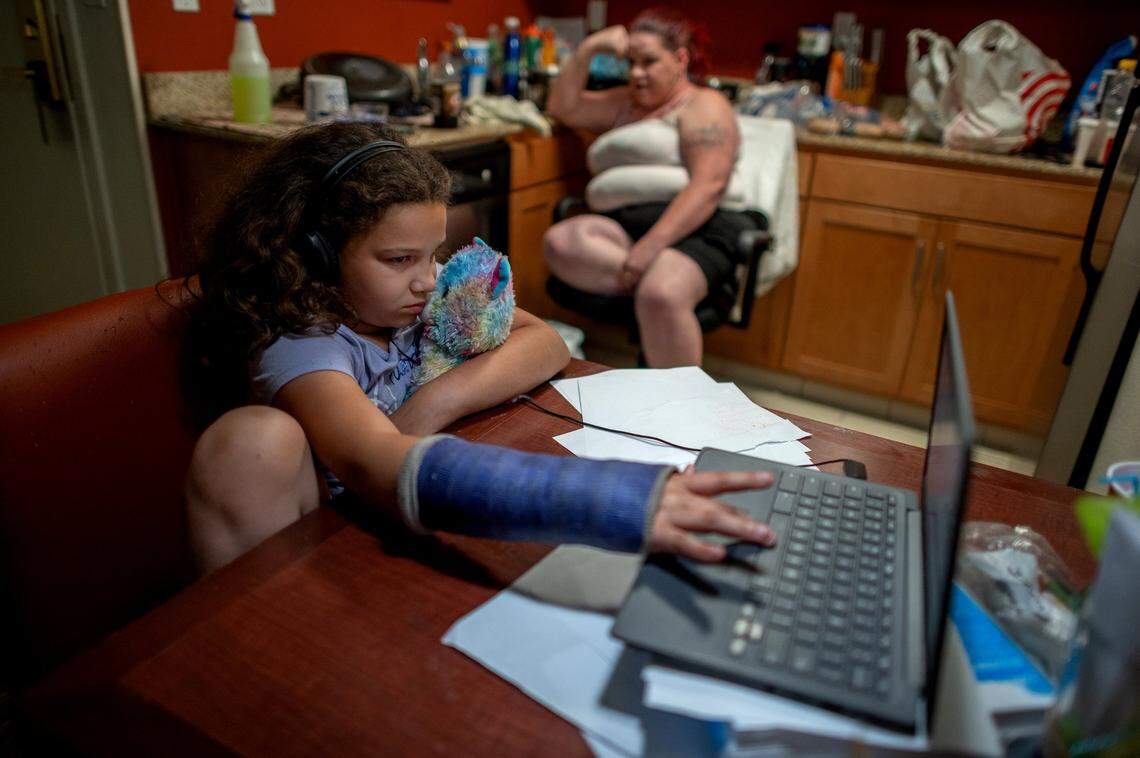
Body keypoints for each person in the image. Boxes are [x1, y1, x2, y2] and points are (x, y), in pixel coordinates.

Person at [182, 122, 776, 575]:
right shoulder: (305, 344)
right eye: (398, 260)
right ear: (314, 253)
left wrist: (434, 402)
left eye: (432, 253)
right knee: (255, 437)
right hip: (336, 544)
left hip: (396, 522)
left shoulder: (409, 301)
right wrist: (608, 500)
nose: (428, 279)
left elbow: (545, 342)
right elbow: (372, 462)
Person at [544, 8, 758, 367]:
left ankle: (678, 413)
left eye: (649, 62)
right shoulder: (624, 103)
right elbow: (561, 107)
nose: (636, 74)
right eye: (630, 63)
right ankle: (654, 287)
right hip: (627, 227)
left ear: (680, 59)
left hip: (701, 225)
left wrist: (648, 249)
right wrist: (590, 48)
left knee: (661, 293)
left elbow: (710, 185)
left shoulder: (703, 105)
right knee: (561, 241)